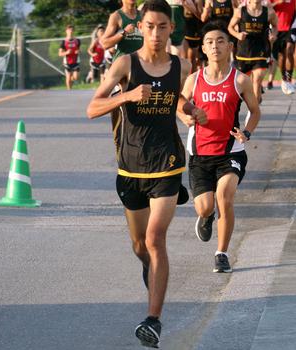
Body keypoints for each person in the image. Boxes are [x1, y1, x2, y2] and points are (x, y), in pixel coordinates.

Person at [87, 1, 205, 347]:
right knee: (139, 245)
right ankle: (150, 270)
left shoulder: (182, 66)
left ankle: (153, 321)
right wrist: (126, 96)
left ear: (172, 29)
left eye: (162, 27)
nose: (156, 33)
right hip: (130, 165)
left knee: (155, 240)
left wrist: (190, 110)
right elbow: (92, 107)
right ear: (140, 26)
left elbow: (179, 101)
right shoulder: (126, 64)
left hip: (167, 162)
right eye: (150, 26)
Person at [179, 20, 260, 274]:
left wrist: (246, 132)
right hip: (200, 153)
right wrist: (186, 117)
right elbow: (180, 103)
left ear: (230, 46)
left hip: (231, 152)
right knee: (205, 206)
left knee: (224, 197)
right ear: (203, 48)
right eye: (210, 42)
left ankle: (221, 253)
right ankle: (206, 216)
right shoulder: (194, 79)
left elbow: (255, 111)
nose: (215, 46)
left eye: (221, 41)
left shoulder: (241, 80)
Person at [228, 0, 278, 104]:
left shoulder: (269, 12)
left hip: (261, 52)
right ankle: (253, 98)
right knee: (240, 84)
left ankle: (253, 110)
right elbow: (230, 27)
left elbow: (275, 26)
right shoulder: (240, 11)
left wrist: (273, 35)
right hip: (244, 52)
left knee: (257, 79)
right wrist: (237, 35)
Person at [270, 0, 296, 94]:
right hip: (277, 27)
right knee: (281, 56)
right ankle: (284, 79)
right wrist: (278, 3)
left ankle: (288, 81)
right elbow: (267, 7)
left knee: (289, 50)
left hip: (292, 26)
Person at [59, 24, 81, 90]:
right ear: (66, 31)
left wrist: (78, 51)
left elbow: (79, 50)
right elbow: (60, 53)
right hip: (67, 62)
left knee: (76, 77)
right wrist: (66, 52)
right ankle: (69, 91)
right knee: (68, 77)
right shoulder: (63, 42)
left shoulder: (77, 41)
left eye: (72, 30)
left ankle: (71, 80)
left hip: (76, 61)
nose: (70, 31)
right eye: (69, 30)